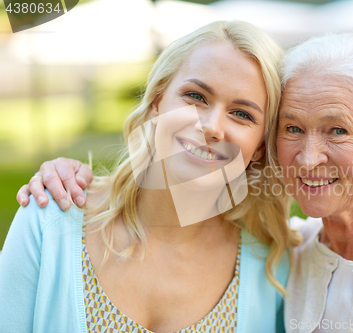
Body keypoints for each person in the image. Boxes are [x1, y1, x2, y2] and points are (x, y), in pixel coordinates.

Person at [16, 33, 353, 332]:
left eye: (338, 129)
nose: (310, 157)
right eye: (292, 128)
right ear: (157, 99)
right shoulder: (286, 255)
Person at [0, 20, 300, 333]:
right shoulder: (49, 221)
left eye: (242, 114)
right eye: (196, 96)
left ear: (260, 147)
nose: (211, 126)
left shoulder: (272, 266)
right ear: (157, 101)